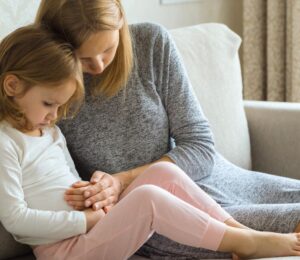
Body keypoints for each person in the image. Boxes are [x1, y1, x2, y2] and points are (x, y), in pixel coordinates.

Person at [2, 25, 300, 260]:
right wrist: (87, 222)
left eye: (60, 108)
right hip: (65, 251)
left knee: (164, 173)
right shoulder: (6, 142)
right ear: (12, 85)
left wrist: (94, 195)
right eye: (48, 104)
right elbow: (17, 221)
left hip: (93, 226)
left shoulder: (50, 131)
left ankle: (242, 235)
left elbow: (69, 179)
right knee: (149, 199)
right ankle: (245, 241)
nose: (55, 115)